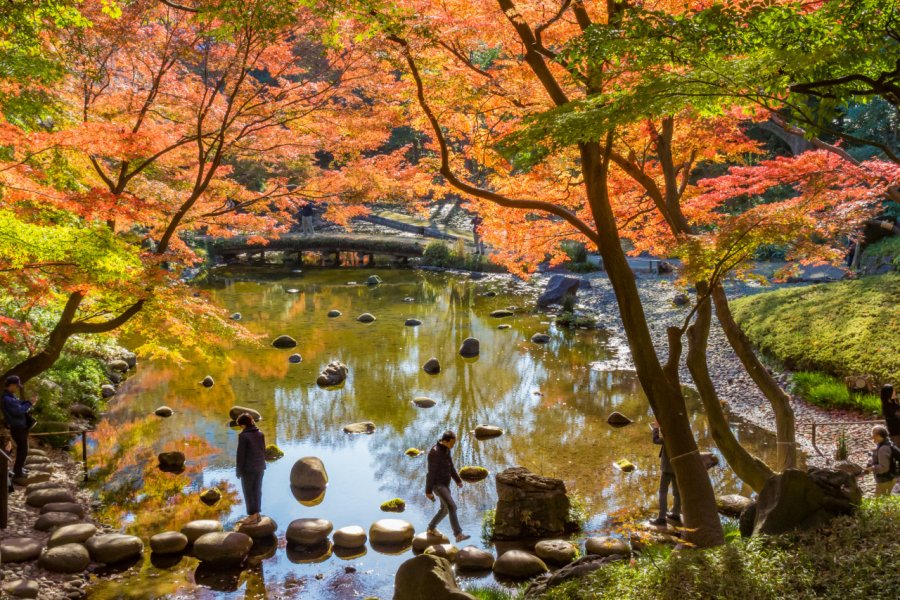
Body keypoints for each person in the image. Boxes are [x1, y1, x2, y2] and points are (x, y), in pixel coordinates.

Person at [425, 430, 470, 542]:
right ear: (446, 441)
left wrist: (458, 480)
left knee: (445, 509)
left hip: (445, 484)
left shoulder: (446, 450)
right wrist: (428, 491)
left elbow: (451, 467)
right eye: (452, 443)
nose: (453, 445)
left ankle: (431, 528)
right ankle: (458, 534)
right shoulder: (434, 452)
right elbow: (431, 473)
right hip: (437, 485)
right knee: (452, 506)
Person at [1, 375, 37, 480]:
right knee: (23, 450)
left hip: (21, 426)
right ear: (11, 385)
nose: (17, 388)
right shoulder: (7, 398)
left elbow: (20, 404)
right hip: (17, 427)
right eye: (17, 386)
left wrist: (28, 402)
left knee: (24, 449)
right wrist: (29, 403)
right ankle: (18, 472)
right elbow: (18, 411)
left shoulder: (11, 396)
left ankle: (19, 468)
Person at [235, 412, 266, 524]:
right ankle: (257, 514)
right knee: (257, 490)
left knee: (248, 492)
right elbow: (263, 450)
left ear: (243, 425)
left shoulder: (243, 436)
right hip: (260, 467)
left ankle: (252, 516)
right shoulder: (260, 433)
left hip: (248, 469)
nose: (240, 427)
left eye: (240, 425)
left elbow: (241, 455)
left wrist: (238, 471)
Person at [650, 421, 681, 526]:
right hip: (677, 469)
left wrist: (655, 428)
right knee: (677, 493)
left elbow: (655, 440)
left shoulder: (667, 438)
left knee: (663, 492)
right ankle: (676, 514)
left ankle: (661, 517)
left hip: (667, 469)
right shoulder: (682, 437)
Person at [865, 425, 898, 496]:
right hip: (888, 478)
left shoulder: (883, 448)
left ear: (878, 435)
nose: (871, 437)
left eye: (873, 435)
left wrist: (872, 468)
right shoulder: (885, 443)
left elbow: (884, 467)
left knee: (879, 502)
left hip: (886, 480)